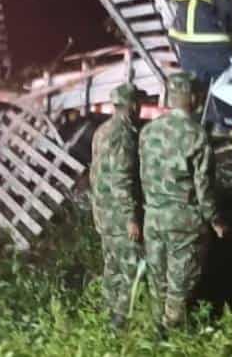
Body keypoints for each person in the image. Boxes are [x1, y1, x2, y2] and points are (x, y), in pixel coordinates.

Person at [138, 71, 227, 329]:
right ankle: (172, 334)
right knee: (180, 283)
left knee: (158, 279)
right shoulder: (197, 135)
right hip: (184, 221)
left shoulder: (148, 132)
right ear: (194, 98)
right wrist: (216, 220)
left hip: (153, 216)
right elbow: (204, 188)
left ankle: (156, 329)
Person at [89, 82, 145, 330]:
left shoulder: (102, 130)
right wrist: (131, 217)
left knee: (111, 263)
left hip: (103, 211)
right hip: (118, 215)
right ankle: (120, 321)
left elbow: (97, 172)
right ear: (132, 105)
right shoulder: (124, 136)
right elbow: (121, 178)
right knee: (130, 267)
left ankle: (107, 309)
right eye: (139, 103)